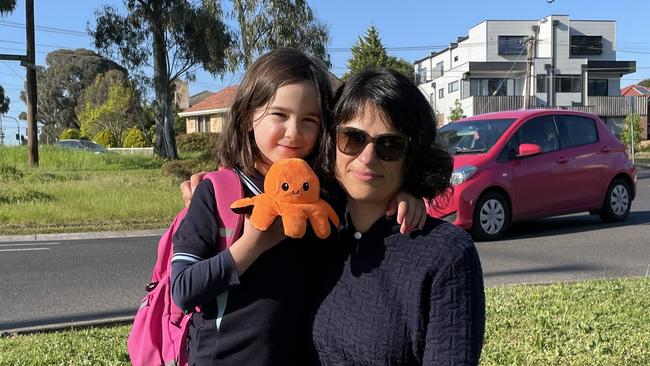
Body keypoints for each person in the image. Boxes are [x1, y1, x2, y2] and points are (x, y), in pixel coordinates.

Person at [171, 49, 426, 366]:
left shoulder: (323, 194)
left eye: (309, 120)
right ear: (250, 115)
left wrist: (402, 194)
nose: (293, 132)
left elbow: (366, 197)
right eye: (279, 115)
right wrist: (252, 244)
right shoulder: (217, 192)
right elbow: (182, 289)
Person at [309, 68, 485, 365]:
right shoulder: (313, 231)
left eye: (389, 145)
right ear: (330, 143)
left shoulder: (446, 255)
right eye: (353, 138)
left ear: (412, 156)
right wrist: (215, 186)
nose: (367, 157)